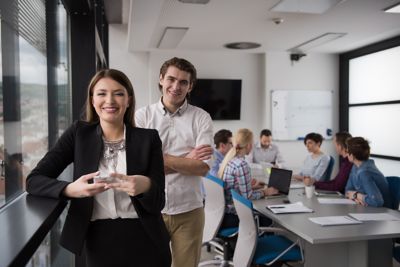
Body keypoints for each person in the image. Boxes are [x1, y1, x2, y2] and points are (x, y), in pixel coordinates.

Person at [26, 69, 171, 267]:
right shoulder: (78, 134)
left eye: (118, 93)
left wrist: (145, 186)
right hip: (97, 239)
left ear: (128, 99)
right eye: (102, 93)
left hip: (146, 238)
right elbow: (34, 180)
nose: (110, 100)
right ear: (92, 100)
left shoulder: (149, 138)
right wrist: (71, 189)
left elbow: (158, 202)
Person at [135, 57, 213, 267]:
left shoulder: (201, 118)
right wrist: (186, 159)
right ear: (161, 79)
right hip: (150, 210)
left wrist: (158, 160)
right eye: (171, 79)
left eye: (183, 82)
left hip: (190, 210)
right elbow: (140, 169)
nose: (176, 86)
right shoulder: (142, 117)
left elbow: (203, 168)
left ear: (190, 86)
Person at [218, 128, 278, 229]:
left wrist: (251, 187)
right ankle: (259, 243)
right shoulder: (241, 164)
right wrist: (265, 192)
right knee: (268, 217)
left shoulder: (229, 160)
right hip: (235, 215)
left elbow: (233, 189)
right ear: (249, 145)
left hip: (224, 213)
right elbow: (247, 198)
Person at [345, 137, 391, 208]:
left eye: (347, 152)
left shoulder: (365, 172)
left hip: (381, 212)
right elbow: (347, 191)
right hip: (365, 208)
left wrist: (356, 195)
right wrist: (355, 198)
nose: (346, 154)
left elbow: (377, 202)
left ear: (352, 156)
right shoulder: (355, 167)